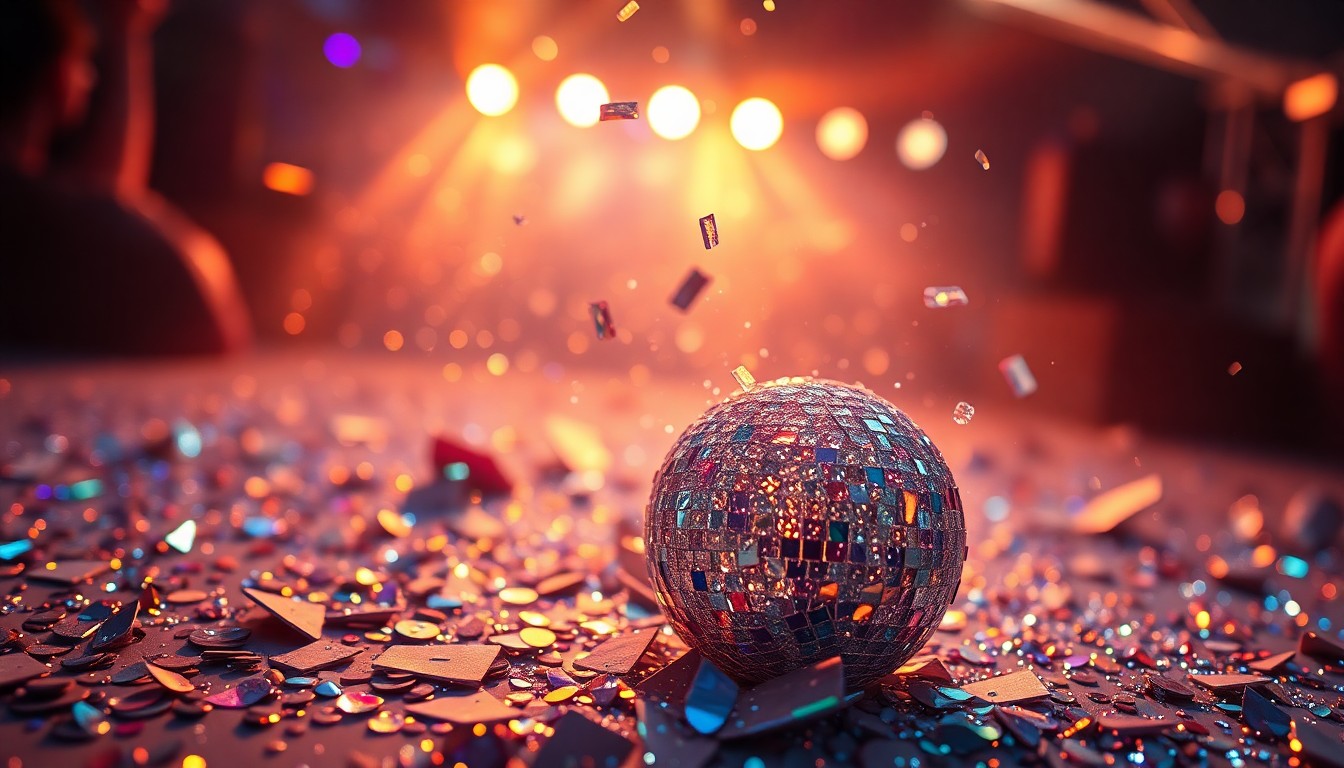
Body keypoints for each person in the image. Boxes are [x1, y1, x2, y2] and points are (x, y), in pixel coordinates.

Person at [0, 0, 250, 356]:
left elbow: (100, 203)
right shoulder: (137, 257)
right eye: (84, 64)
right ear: (59, 78)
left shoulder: (42, 234)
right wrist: (126, 34)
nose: (90, 77)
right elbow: (103, 219)